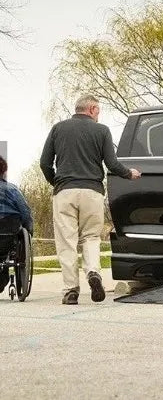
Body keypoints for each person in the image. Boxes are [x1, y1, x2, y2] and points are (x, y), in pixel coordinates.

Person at [40, 95, 141, 305]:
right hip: (92, 192)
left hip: (65, 192)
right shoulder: (102, 130)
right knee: (91, 237)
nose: (98, 115)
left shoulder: (58, 128)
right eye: (98, 111)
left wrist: (56, 183)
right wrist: (129, 173)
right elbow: (112, 164)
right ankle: (93, 272)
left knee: (67, 241)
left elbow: (45, 163)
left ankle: (71, 291)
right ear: (92, 109)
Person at [0, 155, 33, 293]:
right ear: (3, 171)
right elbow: (25, 212)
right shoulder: (12, 189)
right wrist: (29, 229)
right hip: (9, 232)